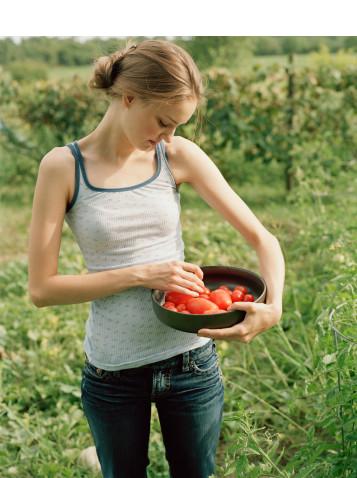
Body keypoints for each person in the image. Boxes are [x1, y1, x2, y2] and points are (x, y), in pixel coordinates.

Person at [28, 38, 285, 478]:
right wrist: (141, 273)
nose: (168, 137)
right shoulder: (63, 167)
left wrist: (273, 307)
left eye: (177, 126)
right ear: (128, 98)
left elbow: (264, 240)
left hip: (191, 363)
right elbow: (41, 289)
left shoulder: (176, 155)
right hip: (113, 372)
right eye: (163, 122)